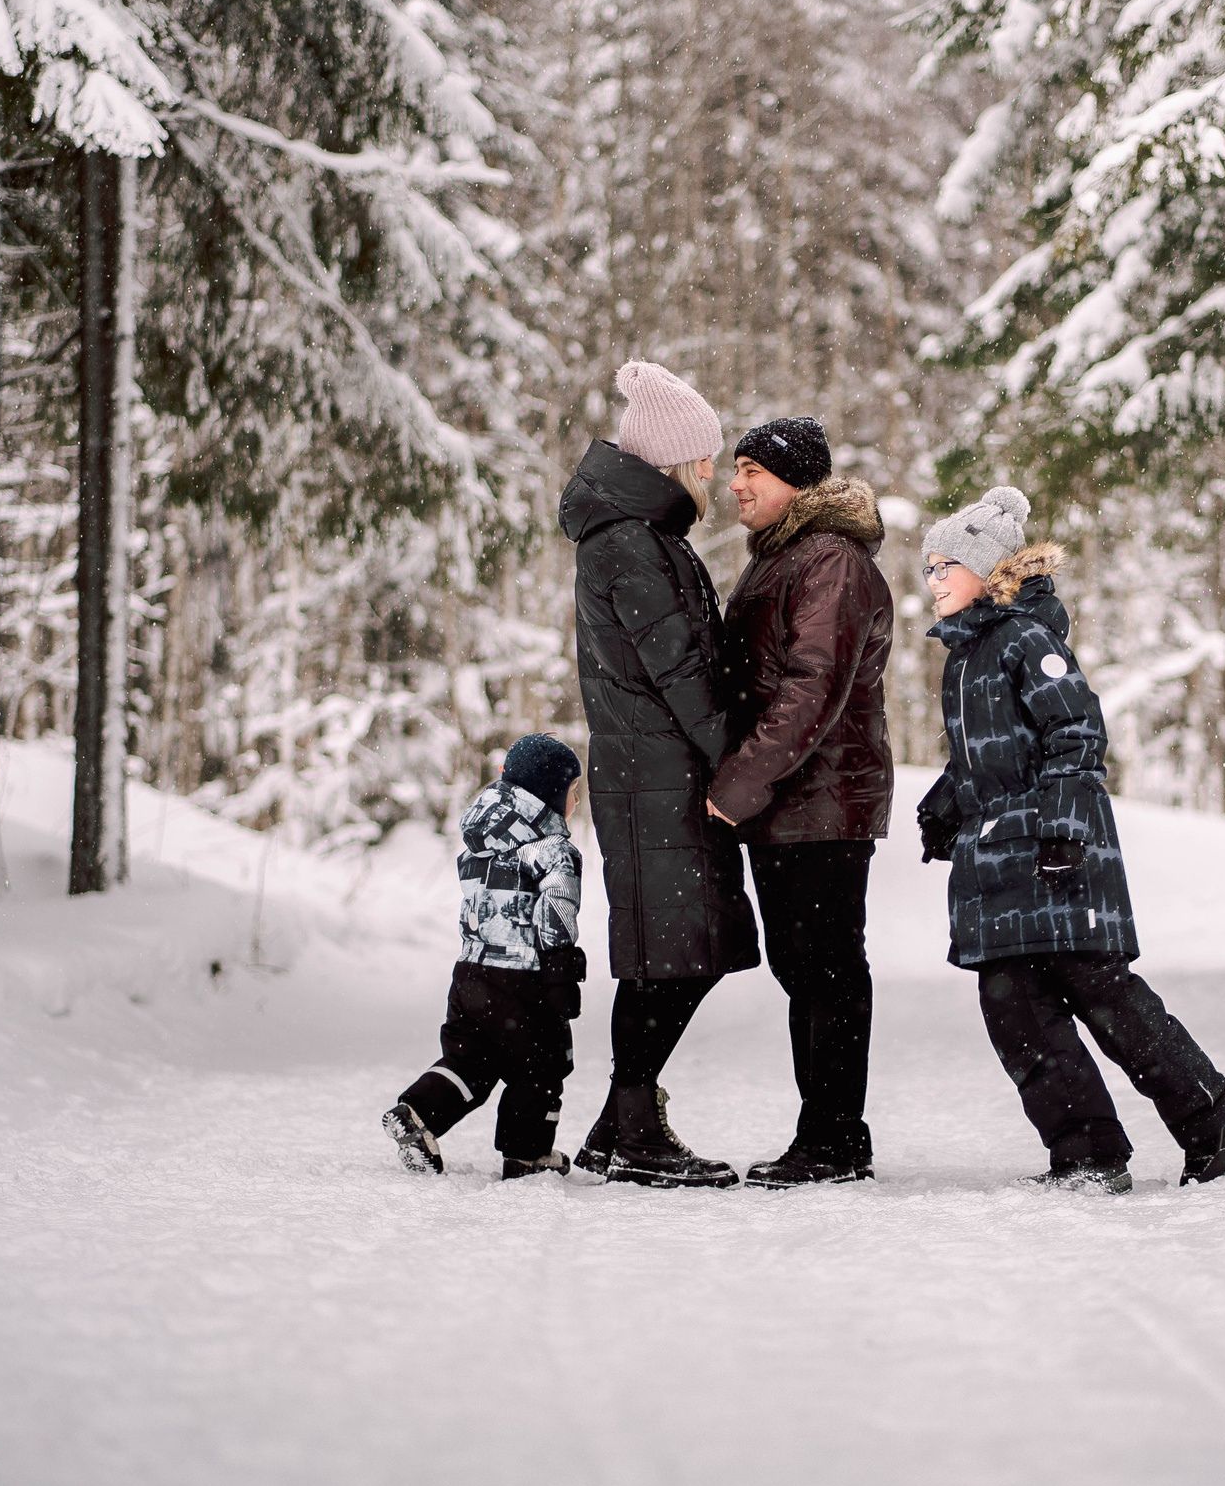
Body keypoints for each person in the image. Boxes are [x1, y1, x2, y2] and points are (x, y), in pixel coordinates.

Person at [915, 487, 1225, 1193]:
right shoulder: (965, 655)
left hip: (1057, 858)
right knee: (1015, 1009)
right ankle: (1087, 1152)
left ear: (989, 570)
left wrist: (1064, 829)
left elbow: (1076, 733)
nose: (933, 579)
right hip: (999, 861)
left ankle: (1209, 1112)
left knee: (1104, 997)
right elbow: (988, 758)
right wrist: (944, 806)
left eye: (947, 566)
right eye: (929, 568)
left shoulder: (1027, 640)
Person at [558, 360, 761, 1188]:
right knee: (675, 955)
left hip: (658, 774)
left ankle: (619, 1126)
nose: (711, 471)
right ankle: (633, 1127)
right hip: (659, 778)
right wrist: (739, 766)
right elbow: (680, 670)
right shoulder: (630, 544)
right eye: (702, 456)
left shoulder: (642, 536)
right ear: (673, 460)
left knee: (680, 950)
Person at [709, 416, 894, 1186]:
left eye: (752, 470)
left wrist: (739, 782)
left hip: (822, 800)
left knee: (826, 968)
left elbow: (812, 685)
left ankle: (836, 1140)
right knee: (805, 967)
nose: (736, 484)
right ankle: (826, 1134)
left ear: (796, 482)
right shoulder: (784, 555)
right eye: (735, 469)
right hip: (790, 804)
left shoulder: (830, 560)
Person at [383, 734, 589, 1180]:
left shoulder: (479, 844)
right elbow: (556, 908)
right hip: (524, 978)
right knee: (541, 1064)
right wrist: (560, 972)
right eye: (573, 791)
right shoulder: (553, 849)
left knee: (470, 1059)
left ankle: (417, 1113)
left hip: (472, 973)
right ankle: (527, 1153)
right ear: (549, 794)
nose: (576, 801)